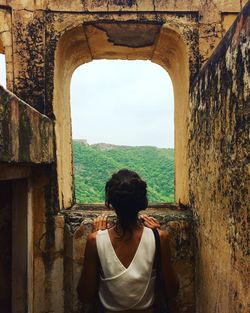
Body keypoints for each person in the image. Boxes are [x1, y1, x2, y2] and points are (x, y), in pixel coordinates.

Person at [77, 169, 179, 313]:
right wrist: (156, 236)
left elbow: (85, 295)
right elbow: (172, 291)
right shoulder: (159, 238)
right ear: (142, 202)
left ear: (110, 203)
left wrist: (98, 237)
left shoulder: (95, 241)